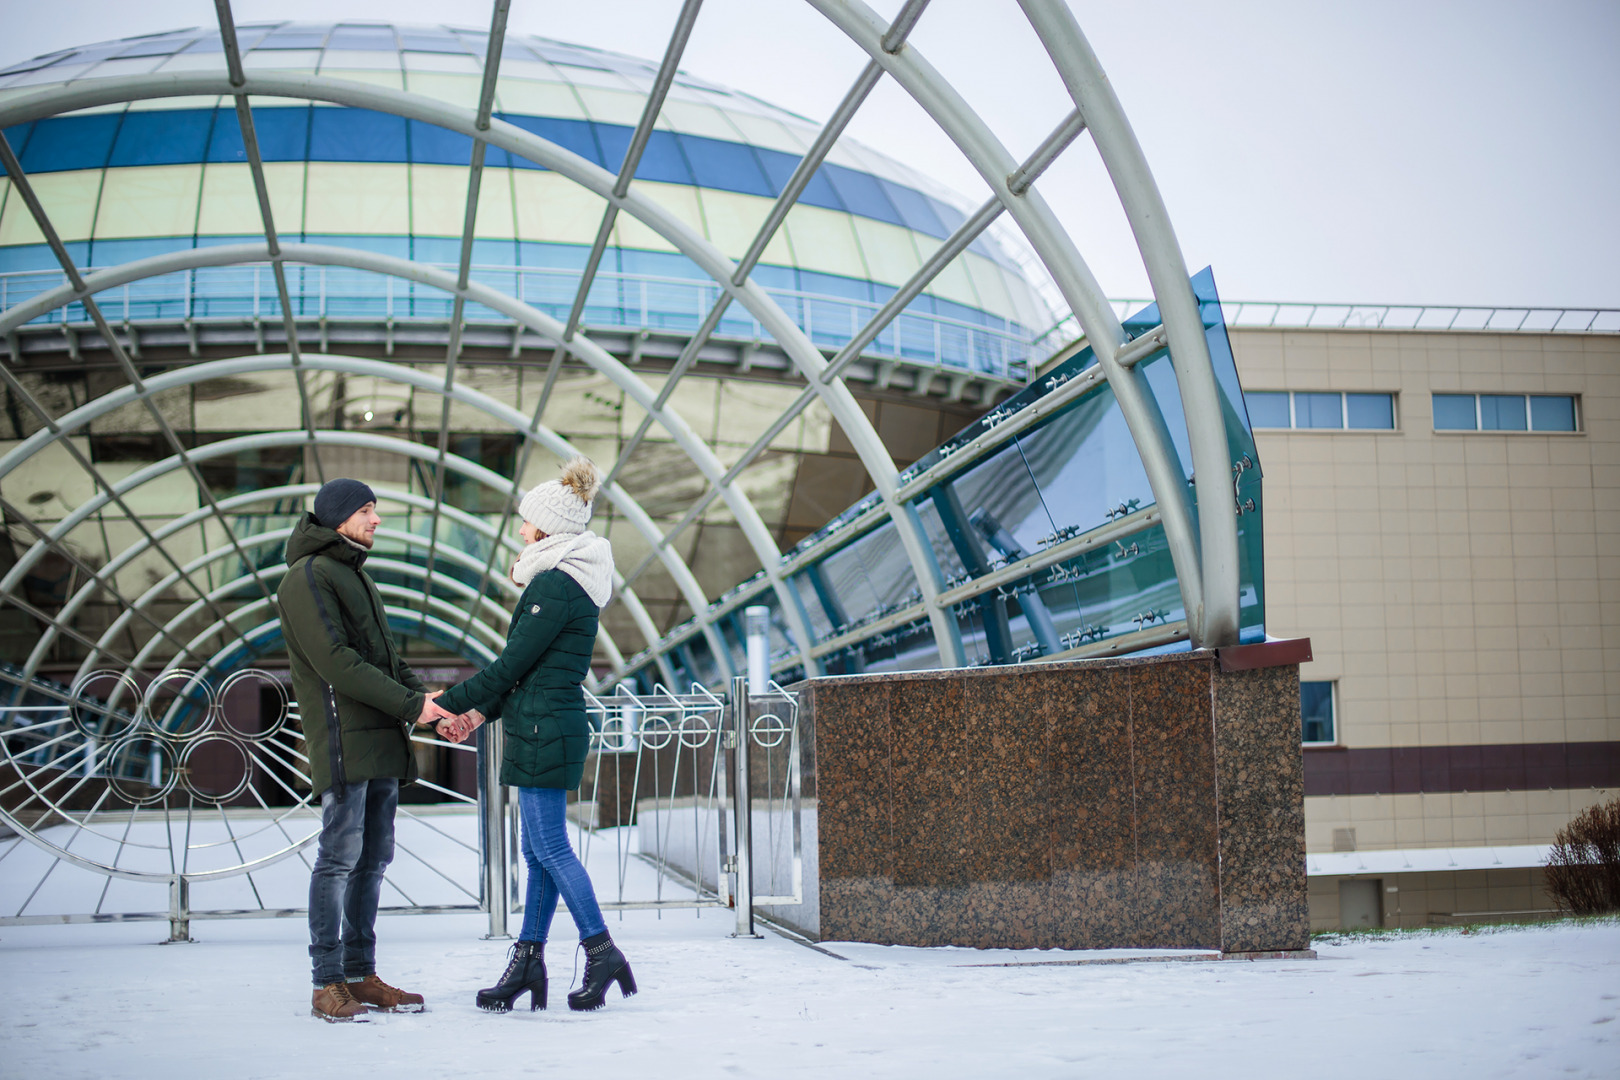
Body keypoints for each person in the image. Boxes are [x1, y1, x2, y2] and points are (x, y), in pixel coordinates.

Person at [434, 457, 635, 1013]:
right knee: (536, 849)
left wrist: (443, 705)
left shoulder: (555, 583)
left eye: (526, 522)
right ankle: (529, 963)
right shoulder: (564, 581)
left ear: (546, 528)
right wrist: (476, 717)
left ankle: (601, 951)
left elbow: (508, 666)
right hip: (540, 723)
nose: (520, 530)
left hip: (546, 728)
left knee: (549, 846)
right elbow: (523, 673)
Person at [277, 478, 462, 1023]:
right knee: (338, 859)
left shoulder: (355, 575)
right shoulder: (307, 578)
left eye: (375, 509)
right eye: (365, 510)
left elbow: (386, 659)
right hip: (343, 739)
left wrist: (429, 704)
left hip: (379, 735)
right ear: (337, 517)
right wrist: (411, 705)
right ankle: (326, 982)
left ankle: (360, 973)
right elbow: (335, 662)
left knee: (374, 859)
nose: (376, 519)